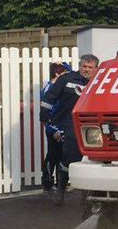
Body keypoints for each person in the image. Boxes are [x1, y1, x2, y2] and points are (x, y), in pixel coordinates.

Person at [40, 54, 99, 204]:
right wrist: (45, 117)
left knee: (94, 160)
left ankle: (87, 195)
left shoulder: (100, 81)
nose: (86, 70)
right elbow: (49, 98)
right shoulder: (66, 79)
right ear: (79, 66)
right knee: (70, 156)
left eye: (90, 67)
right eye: (84, 66)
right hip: (69, 122)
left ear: (96, 68)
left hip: (92, 124)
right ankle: (60, 190)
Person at [39, 62, 70, 192]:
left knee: (60, 154)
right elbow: (48, 108)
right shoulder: (51, 88)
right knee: (53, 155)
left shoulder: (56, 86)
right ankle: (48, 182)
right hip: (54, 126)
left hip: (60, 125)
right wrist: (53, 127)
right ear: (58, 73)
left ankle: (58, 183)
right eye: (65, 73)